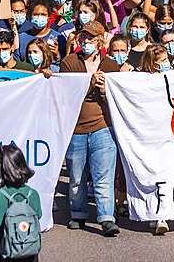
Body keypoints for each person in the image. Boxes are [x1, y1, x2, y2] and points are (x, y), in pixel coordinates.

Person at [59, 22, 120, 236]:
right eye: (84, 37)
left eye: (91, 38)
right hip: (76, 129)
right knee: (76, 176)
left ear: (101, 41)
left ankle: (106, 217)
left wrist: (105, 91)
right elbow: (66, 95)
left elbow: (118, 99)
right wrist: (90, 84)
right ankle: (78, 213)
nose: (86, 42)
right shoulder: (69, 63)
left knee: (103, 175)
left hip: (103, 127)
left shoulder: (111, 65)